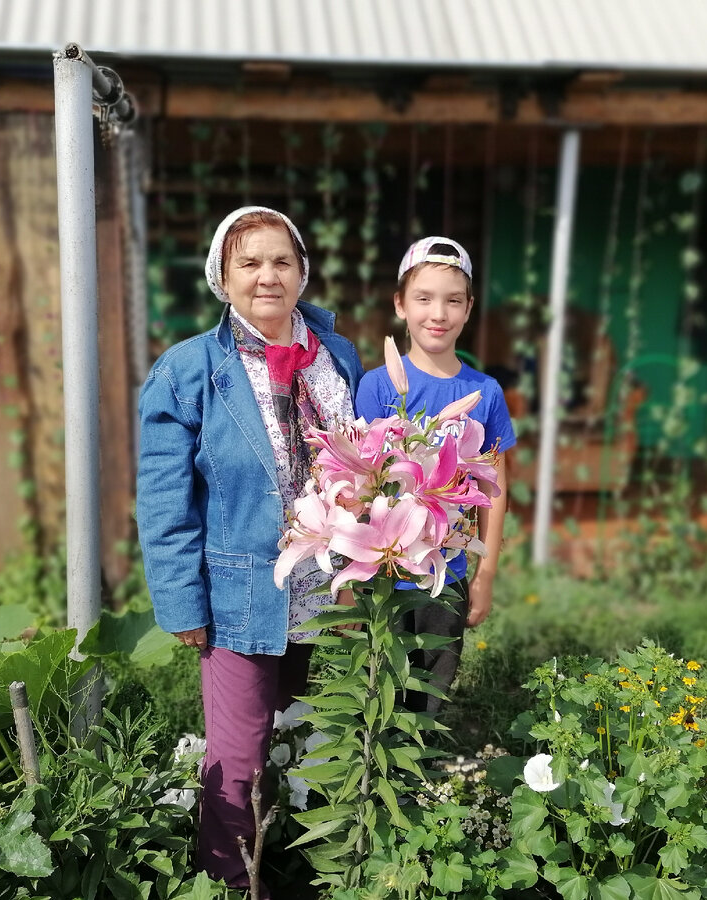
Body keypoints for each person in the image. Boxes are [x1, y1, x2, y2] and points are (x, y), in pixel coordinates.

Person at [137, 206, 362, 894]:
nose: (268, 276)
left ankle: (305, 863)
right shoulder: (189, 371)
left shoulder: (338, 356)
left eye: (282, 261)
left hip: (330, 590)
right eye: (249, 262)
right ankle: (227, 880)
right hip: (243, 593)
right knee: (237, 756)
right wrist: (181, 601)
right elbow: (164, 500)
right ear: (221, 277)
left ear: (302, 273)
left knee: (316, 735)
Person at [354, 236, 515, 713]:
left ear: (469, 309)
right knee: (376, 690)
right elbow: (362, 481)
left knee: (431, 691)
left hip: (447, 572)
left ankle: (415, 781)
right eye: (423, 298)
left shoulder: (483, 392)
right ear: (401, 305)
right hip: (383, 572)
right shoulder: (378, 384)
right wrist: (348, 574)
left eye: (452, 300)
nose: (437, 313)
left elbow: (494, 489)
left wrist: (485, 576)